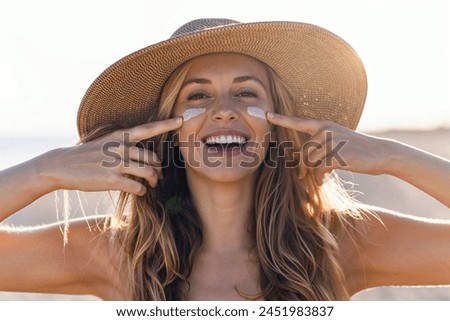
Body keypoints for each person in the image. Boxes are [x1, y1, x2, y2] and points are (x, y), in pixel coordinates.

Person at [0, 18, 449, 301]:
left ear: (278, 125)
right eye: (198, 95)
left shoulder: (342, 242)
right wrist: (46, 171)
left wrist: (395, 157)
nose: (224, 110)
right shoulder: (118, 254)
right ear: (167, 130)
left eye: (247, 92)